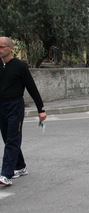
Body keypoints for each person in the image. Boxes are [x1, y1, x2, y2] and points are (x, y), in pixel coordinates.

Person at [0, 37, 47, 186]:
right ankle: (20, 167)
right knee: (7, 138)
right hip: (1, 106)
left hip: (15, 105)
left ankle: (5, 174)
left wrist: (41, 109)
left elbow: (32, 88)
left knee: (13, 139)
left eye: (2, 47)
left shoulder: (20, 66)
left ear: (11, 48)